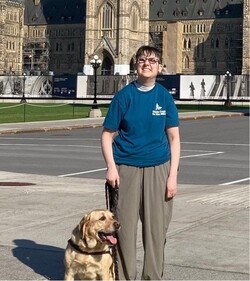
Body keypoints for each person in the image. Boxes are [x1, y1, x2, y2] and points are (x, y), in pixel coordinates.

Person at [101, 45, 180, 280]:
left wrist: (173, 175)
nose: (147, 63)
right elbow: (107, 135)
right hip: (126, 168)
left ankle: (152, 277)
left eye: (153, 60)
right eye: (143, 59)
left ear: (159, 66)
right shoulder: (124, 96)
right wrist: (111, 167)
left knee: (156, 231)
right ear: (136, 64)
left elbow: (174, 138)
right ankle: (125, 277)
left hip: (158, 168)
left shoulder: (164, 97)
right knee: (123, 229)